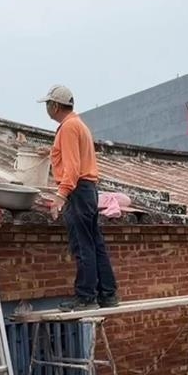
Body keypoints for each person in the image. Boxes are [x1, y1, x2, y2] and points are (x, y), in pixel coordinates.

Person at [38, 85, 118, 312]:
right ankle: (108, 294)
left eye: (47, 104)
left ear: (55, 105)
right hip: (88, 189)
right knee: (95, 243)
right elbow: (74, 158)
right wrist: (52, 151)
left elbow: (72, 168)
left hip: (78, 190)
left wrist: (60, 196)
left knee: (82, 245)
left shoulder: (69, 127)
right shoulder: (78, 124)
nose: (46, 108)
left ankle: (85, 297)